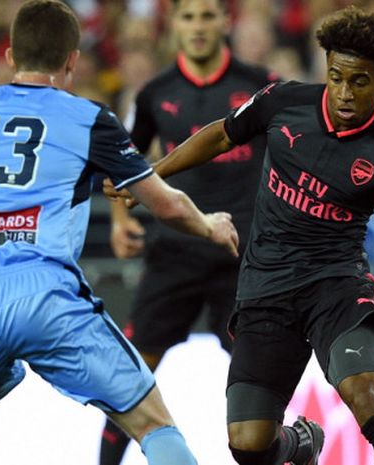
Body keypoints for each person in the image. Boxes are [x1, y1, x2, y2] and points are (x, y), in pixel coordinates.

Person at [0, 1, 239, 464]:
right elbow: (168, 206)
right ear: (72, 59)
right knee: (151, 421)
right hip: (48, 295)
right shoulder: (88, 118)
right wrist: (209, 225)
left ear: (11, 56)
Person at [107, 5, 374, 465]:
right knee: (247, 445)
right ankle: (300, 444)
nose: (344, 93)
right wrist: (151, 176)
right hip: (265, 287)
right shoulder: (284, 101)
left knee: (369, 395)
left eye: (360, 81)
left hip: (335, 288)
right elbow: (222, 135)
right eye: (336, 77)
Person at [102, 0, 274, 462]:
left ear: (226, 21)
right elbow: (120, 165)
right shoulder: (155, 93)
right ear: (173, 24)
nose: (198, 26)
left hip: (242, 258)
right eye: (188, 16)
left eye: (207, 15)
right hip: (173, 254)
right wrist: (120, 221)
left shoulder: (261, 86)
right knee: (131, 376)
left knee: (258, 384)